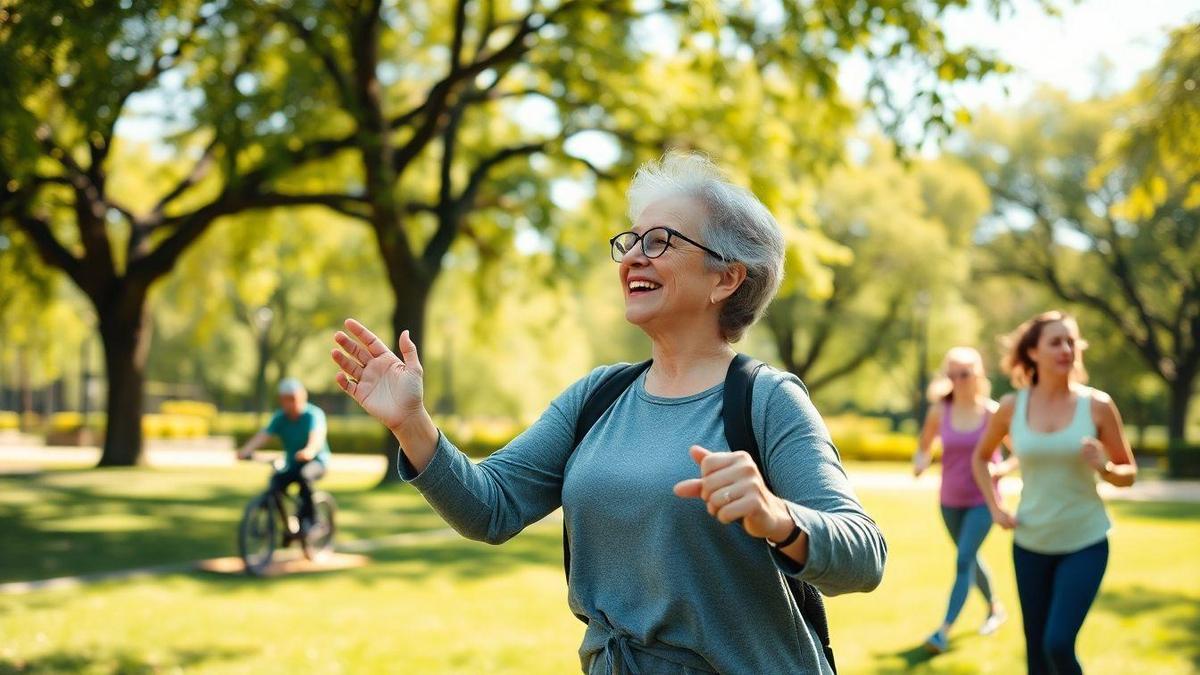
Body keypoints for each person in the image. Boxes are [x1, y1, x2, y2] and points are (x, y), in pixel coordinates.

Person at [330, 152, 886, 674]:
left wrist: (779, 518)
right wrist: (411, 423)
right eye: (632, 240)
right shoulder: (598, 397)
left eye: (662, 241)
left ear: (726, 278)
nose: (634, 256)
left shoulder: (766, 399)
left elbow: (865, 556)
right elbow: (490, 509)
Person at [971, 311, 1137, 675]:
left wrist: (1105, 468)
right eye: (1055, 341)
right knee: (1036, 655)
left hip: (1085, 541)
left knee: (1058, 644)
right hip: (1031, 543)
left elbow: (1129, 474)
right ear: (1033, 353)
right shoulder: (1012, 406)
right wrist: (996, 508)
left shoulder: (1097, 405)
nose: (1066, 348)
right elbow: (981, 458)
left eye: (1071, 341)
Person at [913, 347, 1015, 653]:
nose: (957, 380)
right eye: (952, 374)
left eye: (964, 374)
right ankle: (995, 608)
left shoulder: (993, 412)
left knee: (963, 559)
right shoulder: (939, 411)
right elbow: (924, 446)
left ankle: (942, 632)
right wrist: (921, 462)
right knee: (969, 558)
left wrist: (1002, 468)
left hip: (984, 500)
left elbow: (1020, 450)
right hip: (949, 500)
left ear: (979, 375)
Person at [236, 378, 331, 530]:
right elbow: (263, 435)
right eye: (286, 400)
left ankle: (313, 519)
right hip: (293, 463)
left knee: (305, 476)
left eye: (293, 399)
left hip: (316, 462)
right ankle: (288, 524)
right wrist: (246, 451)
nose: (290, 404)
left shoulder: (313, 415)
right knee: (276, 482)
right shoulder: (280, 418)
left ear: (302, 397)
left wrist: (309, 450)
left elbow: (317, 436)